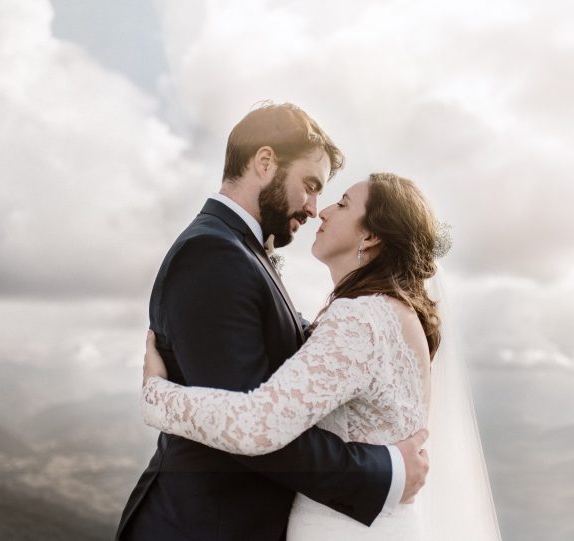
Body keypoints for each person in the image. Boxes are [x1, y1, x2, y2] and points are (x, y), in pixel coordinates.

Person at [116, 104, 430, 541]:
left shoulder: (243, 253)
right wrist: (386, 471)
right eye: (310, 185)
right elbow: (253, 428)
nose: (315, 208)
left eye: (333, 199)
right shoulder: (213, 254)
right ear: (265, 162)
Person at [140, 172, 502, 539]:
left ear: (371, 235)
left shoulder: (361, 319)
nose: (323, 211)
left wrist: (158, 397)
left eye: (342, 203)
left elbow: (259, 426)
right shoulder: (396, 314)